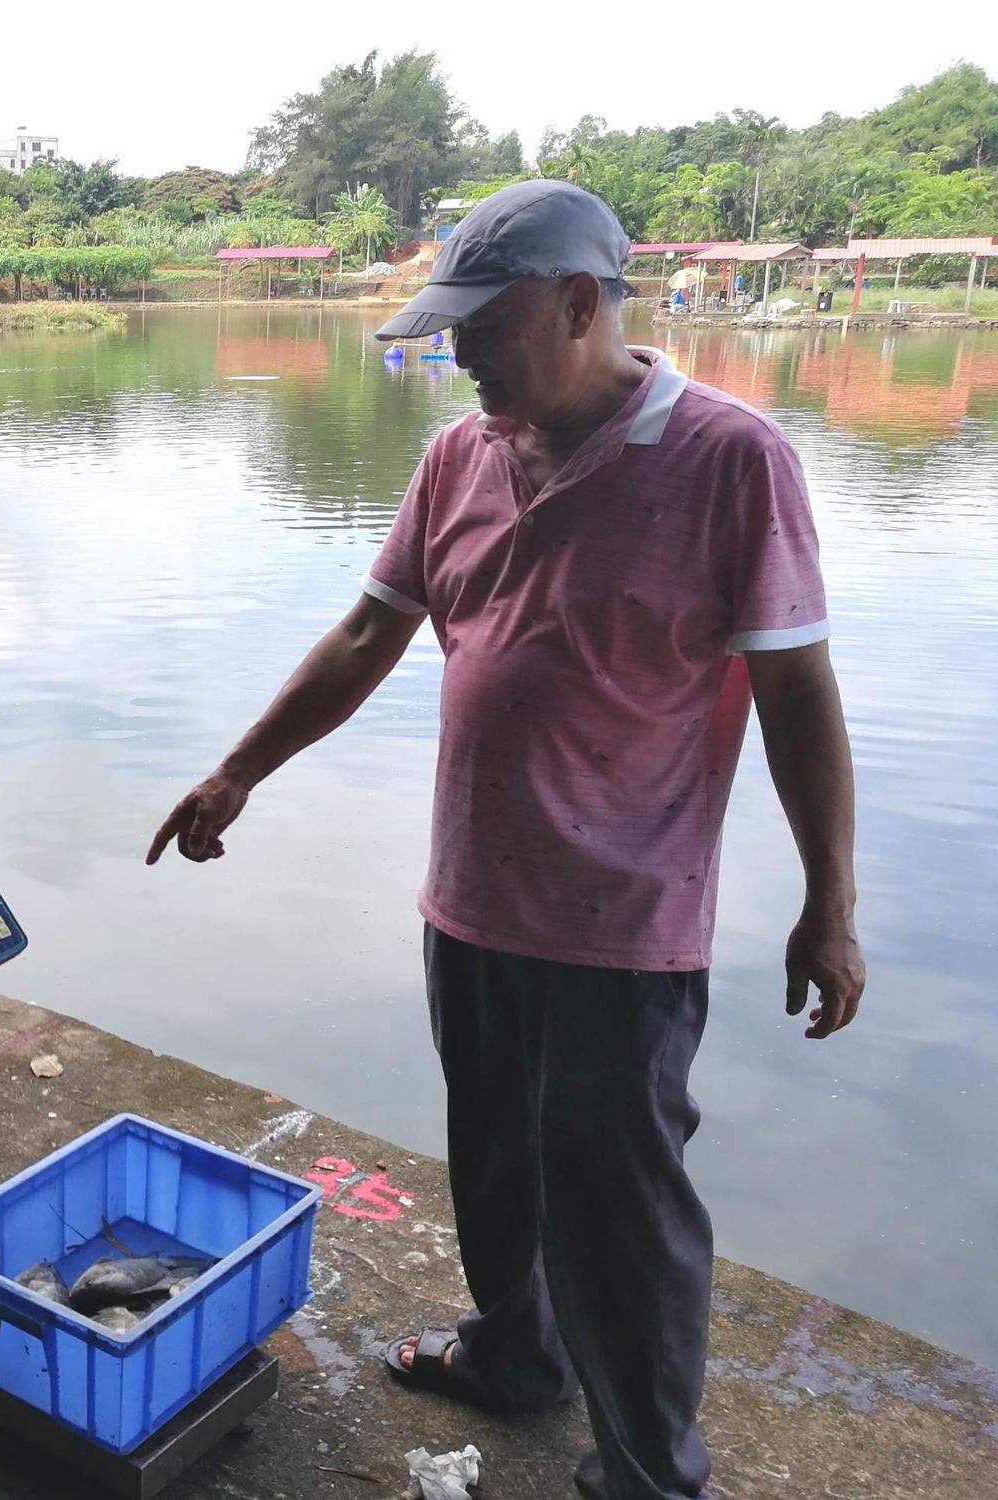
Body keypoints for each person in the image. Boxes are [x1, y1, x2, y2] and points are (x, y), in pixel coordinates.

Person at [148, 180, 863, 1500]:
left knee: (621, 1212)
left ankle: (650, 1470)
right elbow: (371, 633)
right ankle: (514, 1356)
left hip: (624, 924)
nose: (454, 352)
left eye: (483, 327)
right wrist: (237, 772)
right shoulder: (459, 456)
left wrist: (831, 899)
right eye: (450, 328)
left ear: (582, 306)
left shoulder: (731, 462)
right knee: (491, 1164)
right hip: (470, 898)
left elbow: (796, 692)